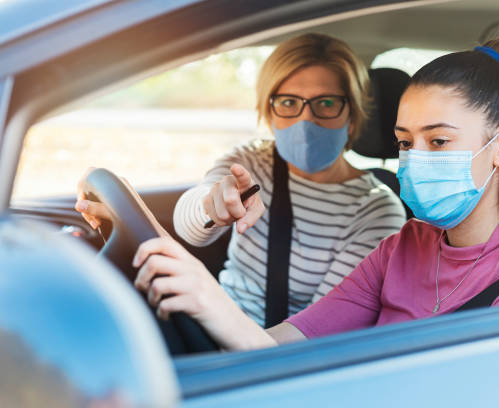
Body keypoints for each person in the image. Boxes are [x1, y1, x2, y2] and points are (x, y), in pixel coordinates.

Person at [126, 37, 499, 350]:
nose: (415, 158)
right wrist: (207, 302)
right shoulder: (403, 247)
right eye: (405, 142)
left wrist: (211, 304)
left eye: (438, 141)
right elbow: (290, 344)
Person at [75, 33, 407, 328]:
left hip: (261, 360)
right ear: (269, 112)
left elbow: (315, 330)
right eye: (289, 102)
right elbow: (189, 221)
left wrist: (212, 308)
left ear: (352, 118)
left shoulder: (378, 212)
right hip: (202, 322)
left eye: (327, 103)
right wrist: (213, 207)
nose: (306, 119)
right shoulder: (251, 161)